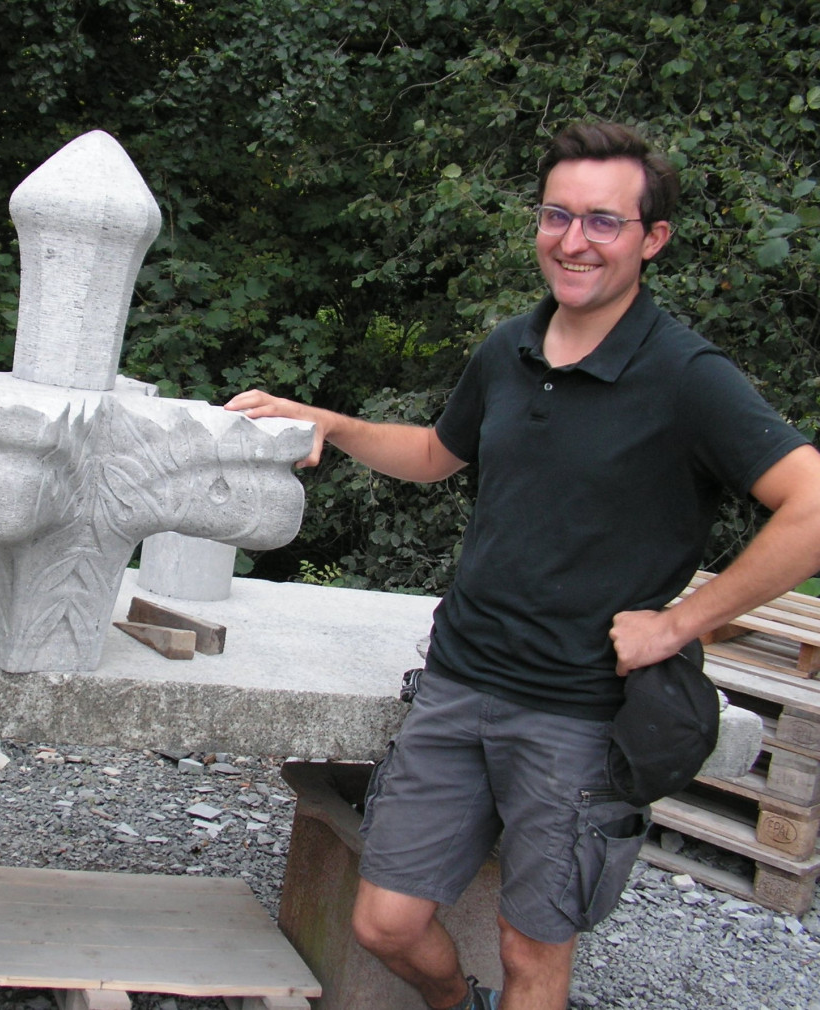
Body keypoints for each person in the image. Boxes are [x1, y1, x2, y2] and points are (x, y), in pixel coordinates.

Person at [227, 121, 820, 1010]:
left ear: (651, 240)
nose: (573, 240)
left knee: (531, 952)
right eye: (557, 215)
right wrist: (335, 424)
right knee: (383, 923)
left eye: (603, 222)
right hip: (458, 681)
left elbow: (810, 506)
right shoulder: (509, 348)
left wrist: (681, 623)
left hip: (579, 716)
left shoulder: (688, 376)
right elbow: (435, 452)